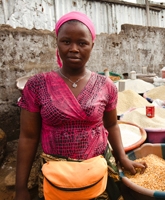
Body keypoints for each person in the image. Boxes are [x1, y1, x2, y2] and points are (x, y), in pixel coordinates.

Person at [15, 11, 146, 200]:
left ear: (92, 45)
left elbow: (111, 125)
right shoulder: (37, 85)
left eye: (82, 43)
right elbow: (28, 137)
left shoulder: (105, 86)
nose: (74, 48)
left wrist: (122, 157)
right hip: (57, 176)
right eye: (66, 41)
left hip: (96, 172)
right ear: (57, 43)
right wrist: (21, 188)